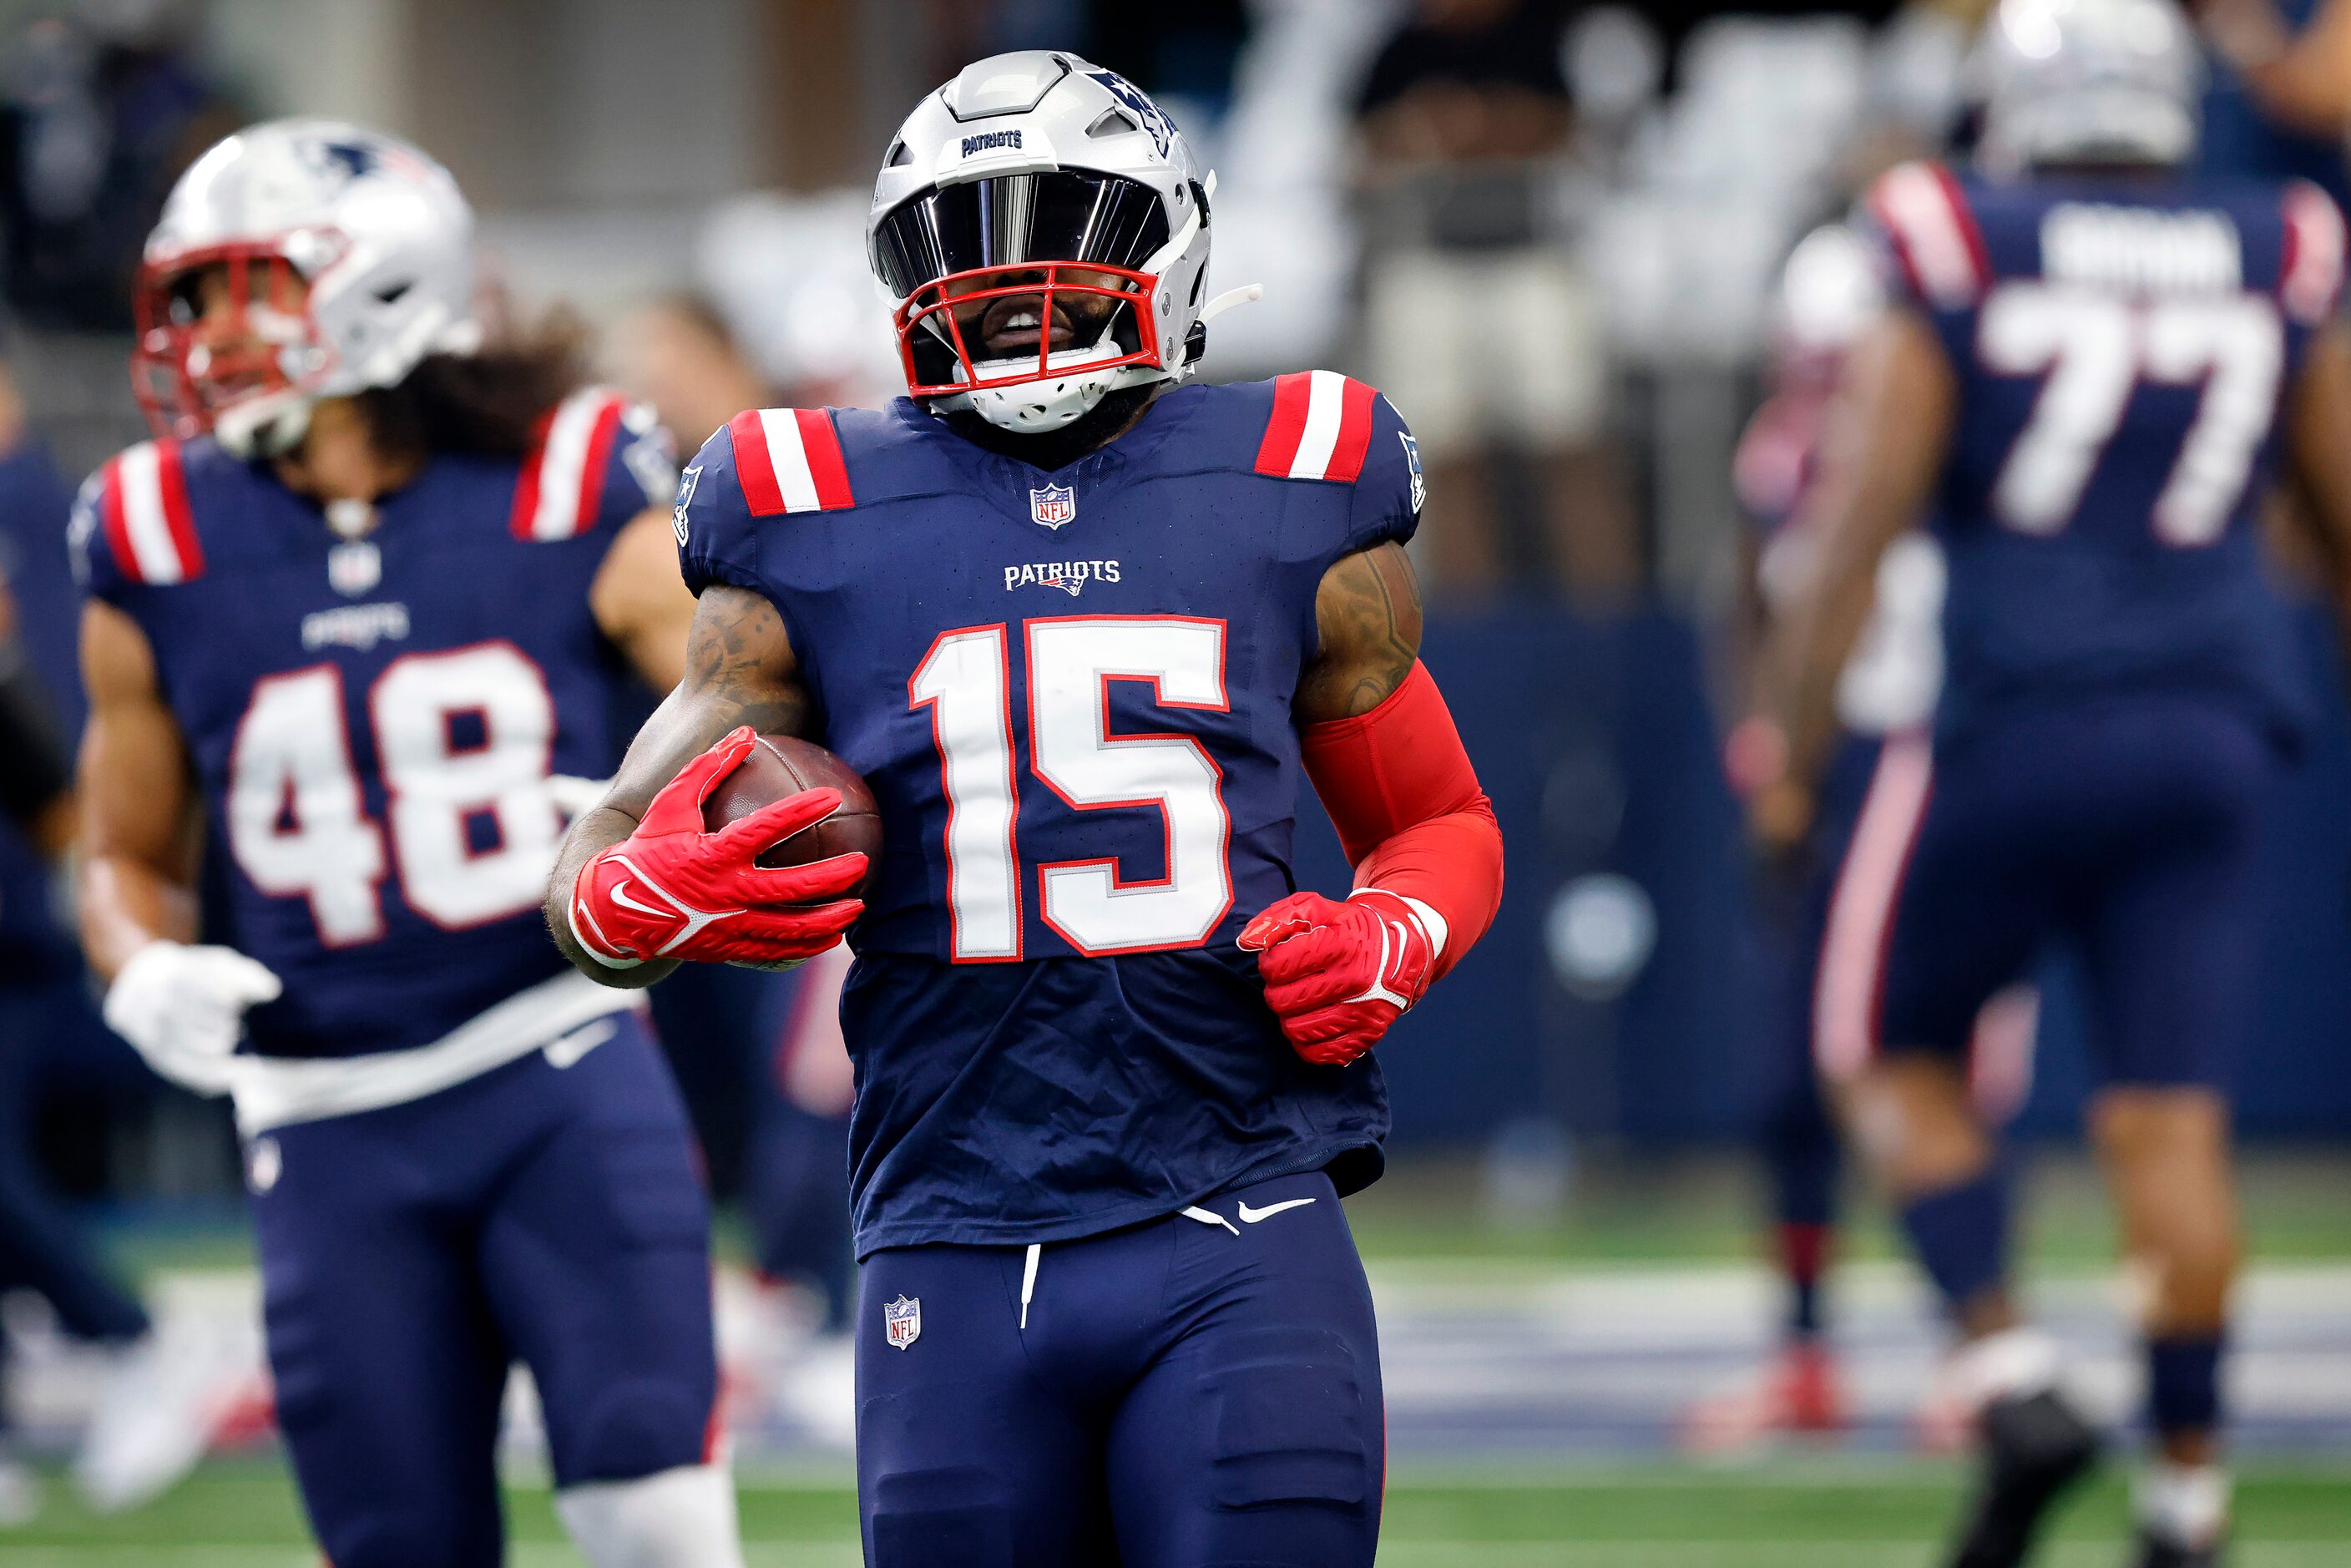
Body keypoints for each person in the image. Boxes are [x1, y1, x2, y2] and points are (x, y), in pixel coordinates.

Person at [548, 53, 1507, 1568]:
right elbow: (599, 844)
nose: (1013, 275)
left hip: (1237, 1209)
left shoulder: (1290, 479)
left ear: (1167, 235)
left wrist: (1398, 927)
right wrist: (625, 898)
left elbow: (1444, 821)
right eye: (965, 236)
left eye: (1057, 220)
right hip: (949, 1219)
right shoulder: (803, 504)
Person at [71, 119, 744, 1567]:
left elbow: (748, 706)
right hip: (323, 1119)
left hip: (555, 1066)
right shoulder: (150, 531)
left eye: (250, 285)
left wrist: (684, 831)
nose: (212, 331)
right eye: (193, 297)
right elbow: (121, 847)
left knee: (657, 1520)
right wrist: (137, 965)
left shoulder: (567, 476)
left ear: (385, 280)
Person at [1754, 1, 2351, 1562]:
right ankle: (2189, 1495)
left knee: (1885, 1048)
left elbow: (1865, 501)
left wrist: (1794, 755)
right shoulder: (2275, 239)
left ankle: (2012, 1368)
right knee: (2174, 1125)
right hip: (2220, 721)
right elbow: (2344, 520)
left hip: (2019, 714)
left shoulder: (1953, 232)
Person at [1691, 225, 2040, 1455]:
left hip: (1934, 764)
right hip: (1821, 777)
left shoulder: (1959, 433)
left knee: (1947, 1073)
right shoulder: (1778, 449)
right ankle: (1803, 1354)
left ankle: (1979, 1355)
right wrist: (1763, 744)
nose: (1831, 380)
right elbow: (1744, 593)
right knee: (1787, 1079)